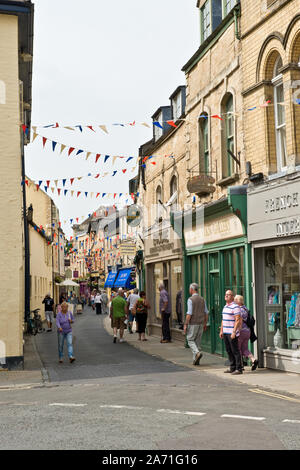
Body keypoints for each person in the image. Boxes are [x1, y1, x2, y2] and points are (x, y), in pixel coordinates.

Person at [184, 283, 209, 366]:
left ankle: (197, 353)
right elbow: (206, 313)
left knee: (190, 339)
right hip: (201, 323)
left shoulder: (190, 299)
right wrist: (205, 323)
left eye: (189, 289)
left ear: (191, 289)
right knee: (197, 342)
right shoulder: (203, 299)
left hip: (193, 323)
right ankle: (195, 360)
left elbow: (189, 313)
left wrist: (185, 324)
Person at [220, 290, 243, 375]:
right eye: (225, 294)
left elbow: (237, 320)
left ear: (232, 297)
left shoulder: (235, 307)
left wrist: (234, 332)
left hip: (232, 332)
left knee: (235, 350)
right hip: (226, 332)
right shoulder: (225, 306)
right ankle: (232, 367)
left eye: (228, 295)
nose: (226, 296)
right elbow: (223, 319)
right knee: (229, 350)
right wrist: (221, 330)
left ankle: (239, 369)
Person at [234, 295, 258, 371]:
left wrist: (236, 331)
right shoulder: (246, 309)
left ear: (238, 301)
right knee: (245, 348)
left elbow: (238, 321)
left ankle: (240, 365)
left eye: (235, 300)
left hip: (241, 331)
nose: (234, 301)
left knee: (238, 348)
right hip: (248, 331)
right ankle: (253, 359)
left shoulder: (238, 310)